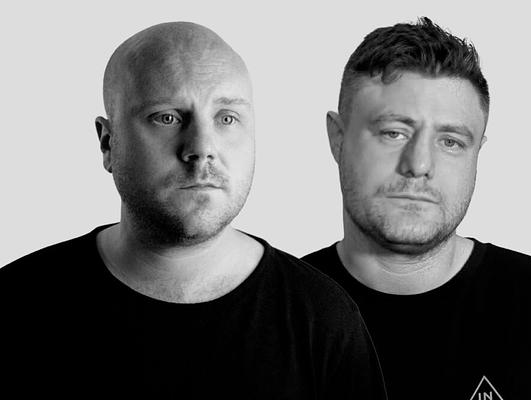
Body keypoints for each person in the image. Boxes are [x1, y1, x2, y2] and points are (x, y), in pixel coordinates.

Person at [0, 22, 387, 399]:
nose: (202, 148)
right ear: (107, 143)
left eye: (226, 118)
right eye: (167, 118)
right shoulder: (17, 304)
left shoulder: (324, 320)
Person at [302, 17, 531, 399]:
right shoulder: (269, 314)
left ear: (477, 153)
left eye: (451, 142)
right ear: (338, 138)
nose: (419, 164)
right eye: (394, 133)